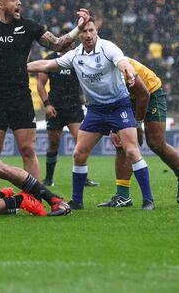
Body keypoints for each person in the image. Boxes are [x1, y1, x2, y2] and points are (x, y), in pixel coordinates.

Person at [0, 0, 88, 196]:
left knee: (28, 150)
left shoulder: (29, 26)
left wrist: (79, 28)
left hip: (21, 98)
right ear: (0, 4)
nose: (19, 2)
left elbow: (57, 45)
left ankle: (35, 196)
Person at [27, 17, 155, 210]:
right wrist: (21, 67)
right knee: (79, 153)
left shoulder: (108, 48)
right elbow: (46, 65)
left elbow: (122, 63)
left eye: (91, 31)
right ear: (79, 36)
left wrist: (129, 73)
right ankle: (77, 201)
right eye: (84, 32)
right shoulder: (75, 55)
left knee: (131, 150)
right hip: (95, 110)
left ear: (96, 32)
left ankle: (148, 200)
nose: (88, 35)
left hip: (119, 106)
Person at [98, 57, 179, 207]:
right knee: (122, 144)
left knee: (156, 143)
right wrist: (114, 129)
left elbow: (144, 95)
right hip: (127, 98)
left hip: (150, 92)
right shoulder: (95, 71)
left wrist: (136, 125)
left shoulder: (119, 66)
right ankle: (123, 197)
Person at [36, 51, 98, 188]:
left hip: (73, 107)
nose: (68, 42)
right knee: (54, 143)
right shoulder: (50, 59)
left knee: (80, 140)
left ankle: (83, 177)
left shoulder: (78, 57)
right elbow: (40, 83)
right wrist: (47, 105)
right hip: (55, 108)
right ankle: (48, 178)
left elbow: (89, 78)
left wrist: (88, 97)